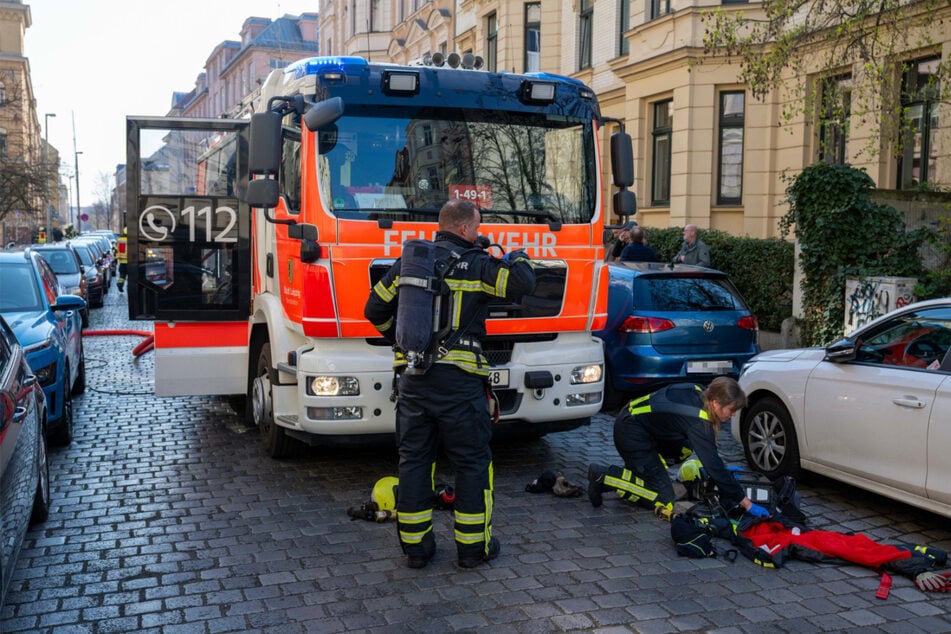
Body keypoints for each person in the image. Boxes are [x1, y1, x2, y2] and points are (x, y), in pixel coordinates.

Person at [364, 199, 536, 569]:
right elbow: (522, 283)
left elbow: (373, 310)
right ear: (463, 229)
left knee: (413, 462)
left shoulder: (411, 264)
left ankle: (417, 550)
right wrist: (518, 255)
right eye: (477, 227)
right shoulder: (475, 264)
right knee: (472, 463)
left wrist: (400, 340)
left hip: (412, 382)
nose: (479, 233)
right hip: (459, 385)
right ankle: (473, 550)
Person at [587, 377, 770, 521]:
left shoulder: (699, 391)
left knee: (686, 447)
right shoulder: (698, 420)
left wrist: (716, 469)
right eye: (731, 409)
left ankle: (640, 474)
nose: (733, 415)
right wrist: (746, 504)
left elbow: (710, 457)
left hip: (639, 427)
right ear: (715, 403)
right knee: (663, 498)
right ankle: (604, 477)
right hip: (631, 435)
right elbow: (713, 463)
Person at [116, 227, 128, 292]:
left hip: (122, 262)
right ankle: (129, 288)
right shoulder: (132, 240)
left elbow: (116, 249)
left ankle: (120, 284)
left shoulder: (120, 239)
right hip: (131, 262)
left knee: (122, 276)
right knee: (131, 277)